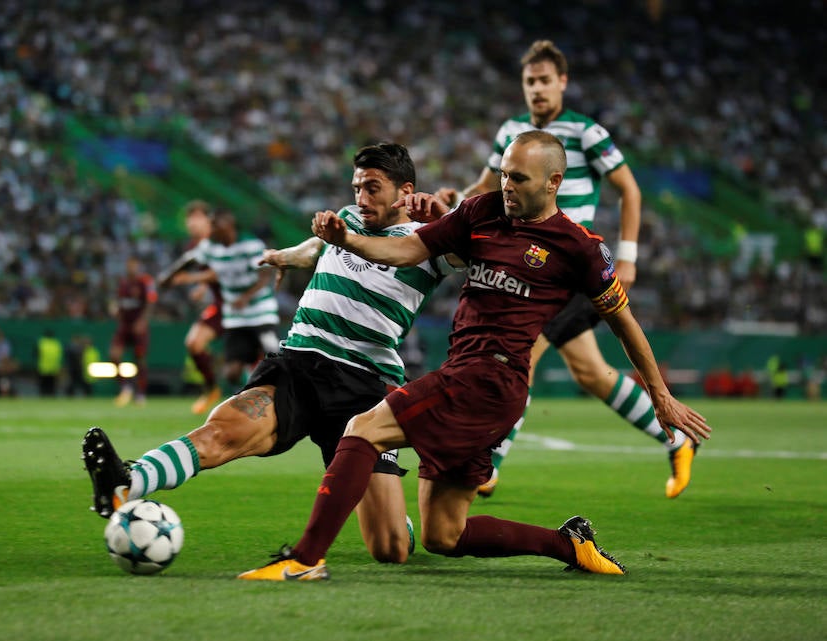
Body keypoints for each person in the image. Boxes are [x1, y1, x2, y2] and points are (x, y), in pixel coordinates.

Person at [238, 131, 711, 581]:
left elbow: (624, 322)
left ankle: (303, 560)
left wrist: (661, 395)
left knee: (361, 428)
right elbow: (407, 249)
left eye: (519, 178)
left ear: (554, 183)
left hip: (491, 381)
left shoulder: (580, 248)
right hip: (469, 378)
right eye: (504, 173)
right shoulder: (482, 211)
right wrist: (350, 240)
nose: (506, 185)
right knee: (445, 535)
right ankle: (569, 546)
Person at [82, 143, 458, 563]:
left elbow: (468, 250)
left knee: (390, 549)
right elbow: (315, 247)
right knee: (223, 431)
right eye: (356, 188)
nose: (361, 199)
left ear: (405, 190)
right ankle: (128, 482)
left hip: (364, 386)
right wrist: (286, 256)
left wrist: (446, 217)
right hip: (301, 362)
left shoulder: (430, 241)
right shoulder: (348, 218)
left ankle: (394, 518)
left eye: (373, 188)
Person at [436, 39, 695, 500]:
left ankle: (488, 462)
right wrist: (451, 204)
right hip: (528, 266)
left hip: (568, 270)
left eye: (544, 81)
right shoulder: (512, 132)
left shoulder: (586, 133)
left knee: (520, 354)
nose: (537, 89)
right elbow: (483, 185)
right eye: (529, 81)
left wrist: (629, 256)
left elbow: (629, 190)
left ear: (562, 83)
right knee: (592, 374)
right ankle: (677, 437)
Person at [166, 209, 280, 397]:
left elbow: (265, 274)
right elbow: (190, 259)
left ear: (227, 226)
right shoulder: (211, 247)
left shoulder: (251, 244)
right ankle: (247, 392)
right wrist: (168, 276)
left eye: (214, 226)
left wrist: (246, 297)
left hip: (262, 314)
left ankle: (283, 394)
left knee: (275, 355)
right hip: (234, 318)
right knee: (231, 373)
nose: (211, 230)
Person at [157, 201, 225, 414]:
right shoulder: (196, 247)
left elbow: (225, 270)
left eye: (197, 217)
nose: (192, 223)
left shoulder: (220, 240)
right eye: (189, 218)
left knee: (252, 357)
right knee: (194, 343)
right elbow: (212, 270)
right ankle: (212, 388)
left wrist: (191, 278)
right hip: (221, 305)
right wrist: (203, 286)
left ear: (208, 220)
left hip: (243, 305)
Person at [110, 256, 157, 407]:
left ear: (138, 266)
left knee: (140, 358)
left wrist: (142, 321)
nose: (131, 268)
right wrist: (115, 308)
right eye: (128, 265)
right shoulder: (123, 283)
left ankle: (141, 393)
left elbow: (151, 302)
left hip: (138, 325)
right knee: (114, 355)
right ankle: (125, 387)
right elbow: (118, 301)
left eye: (133, 265)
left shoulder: (145, 281)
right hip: (124, 325)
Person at [35, 329, 63, 397]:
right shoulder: (57, 344)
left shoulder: (41, 343)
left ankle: (43, 398)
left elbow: (36, 354)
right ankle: (52, 397)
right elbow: (60, 356)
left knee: (43, 385)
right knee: (52, 386)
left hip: (43, 367)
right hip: (54, 368)